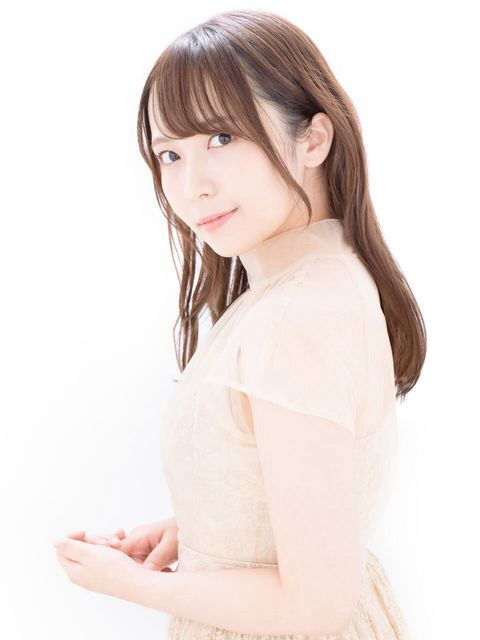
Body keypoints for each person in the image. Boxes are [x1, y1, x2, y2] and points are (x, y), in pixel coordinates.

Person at [59, 9, 425, 638]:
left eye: (222, 138)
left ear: (313, 139)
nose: (191, 185)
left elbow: (315, 608)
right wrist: (211, 533)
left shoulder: (297, 315)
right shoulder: (309, 285)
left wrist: (126, 583)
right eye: (169, 154)